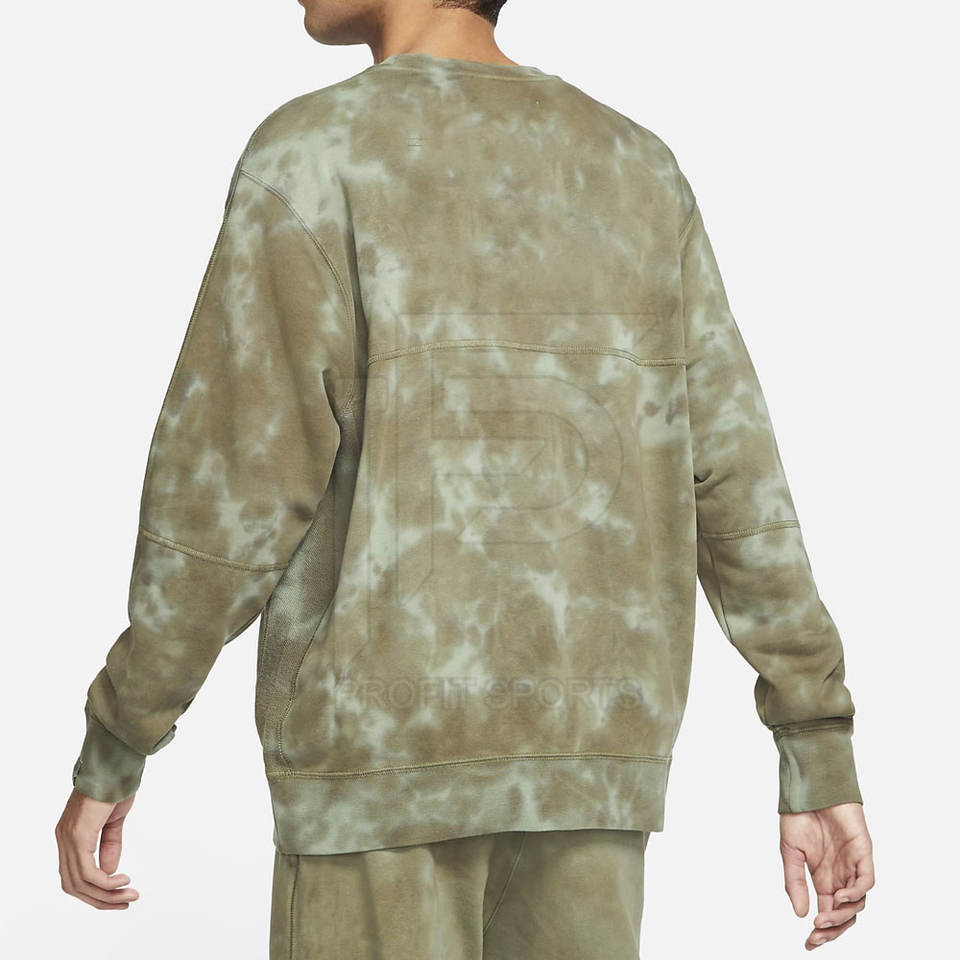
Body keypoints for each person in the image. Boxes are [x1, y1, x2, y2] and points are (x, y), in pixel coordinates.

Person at [55, 1, 875, 955]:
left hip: (378, 775)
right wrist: (816, 744)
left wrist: (120, 736)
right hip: (589, 773)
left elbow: (226, 498)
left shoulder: (315, 157)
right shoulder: (639, 172)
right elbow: (737, 481)